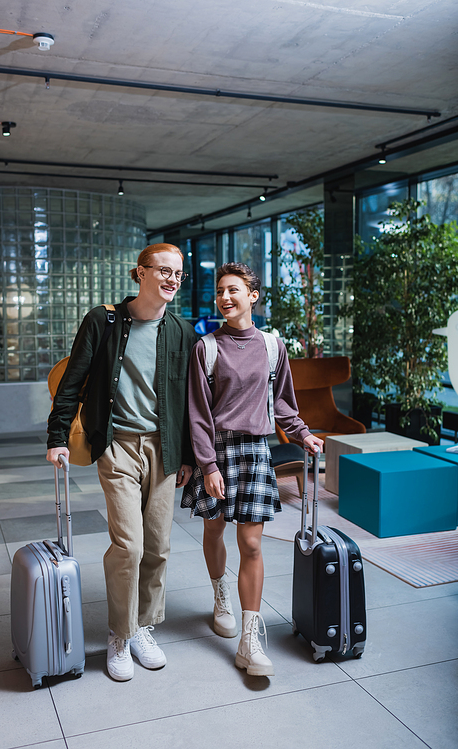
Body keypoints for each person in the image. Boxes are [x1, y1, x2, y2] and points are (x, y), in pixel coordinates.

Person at [47, 243, 197, 682]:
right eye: (164, 270)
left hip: (165, 447)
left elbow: (186, 400)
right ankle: (119, 633)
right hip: (117, 445)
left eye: (179, 273)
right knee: (129, 544)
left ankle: (143, 628)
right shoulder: (104, 320)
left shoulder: (182, 331)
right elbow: (72, 381)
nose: (172, 279)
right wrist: (57, 437)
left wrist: (188, 456)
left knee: (157, 546)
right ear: (141, 273)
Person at [182, 262, 323, 677]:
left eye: (233, 290)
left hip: (256, 450)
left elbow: (282, 403)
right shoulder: (206, 348)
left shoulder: (273, 346)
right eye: (220, 292)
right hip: (217, 450)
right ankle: (220, 594)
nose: (225, 298)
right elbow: (198, 413)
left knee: (253, 544)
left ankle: (248, 639)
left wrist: (303, 434)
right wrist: (207, 463)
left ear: (252, 295)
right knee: (214, 529)